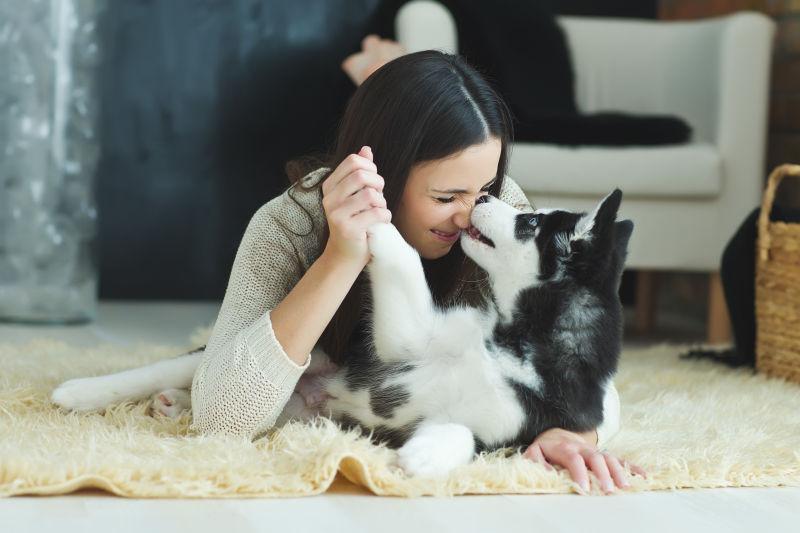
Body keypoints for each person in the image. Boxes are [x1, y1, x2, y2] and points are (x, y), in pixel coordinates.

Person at [190, 46, 645, 494]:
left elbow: (585, 372)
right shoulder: (291, 223)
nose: (471, 214)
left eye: (486, 186)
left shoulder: (497, 215)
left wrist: (571, 432)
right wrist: (341, 256)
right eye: (446, 198)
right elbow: (221, 417)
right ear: (382, 174)